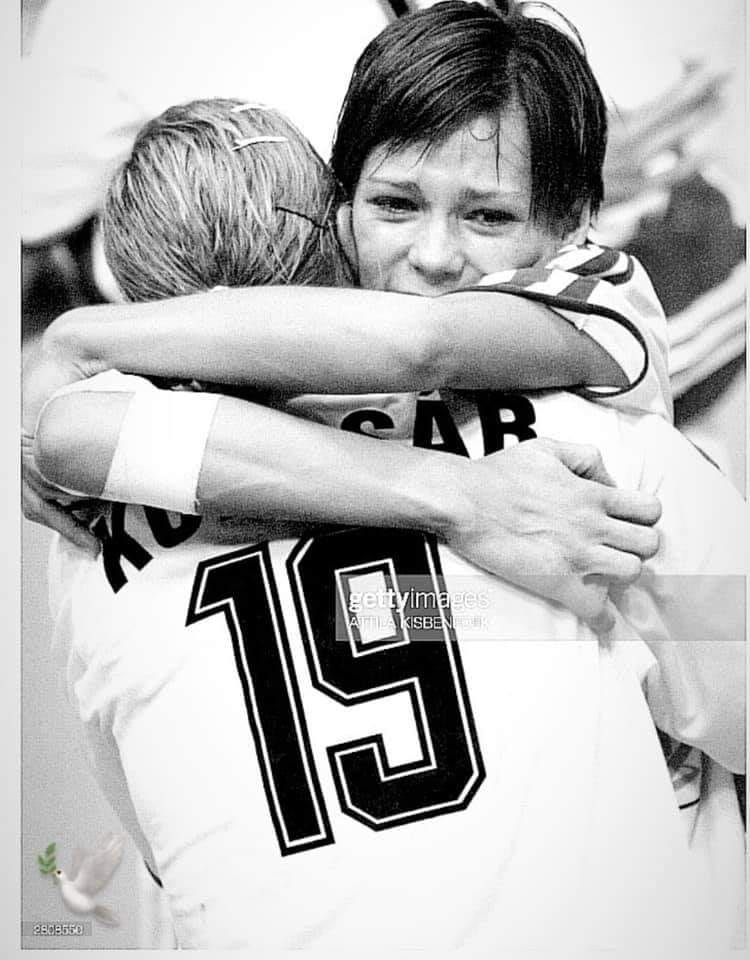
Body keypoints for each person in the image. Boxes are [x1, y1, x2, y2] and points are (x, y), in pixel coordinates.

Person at [24, 4, 745, 949]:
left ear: (568, 229)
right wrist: (473, 522)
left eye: (488, 215)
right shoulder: (585, 465)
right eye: (395, 206)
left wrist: (72, 349)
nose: (433, 257)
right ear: (335, 216)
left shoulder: (97, 532)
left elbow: (420, 349)